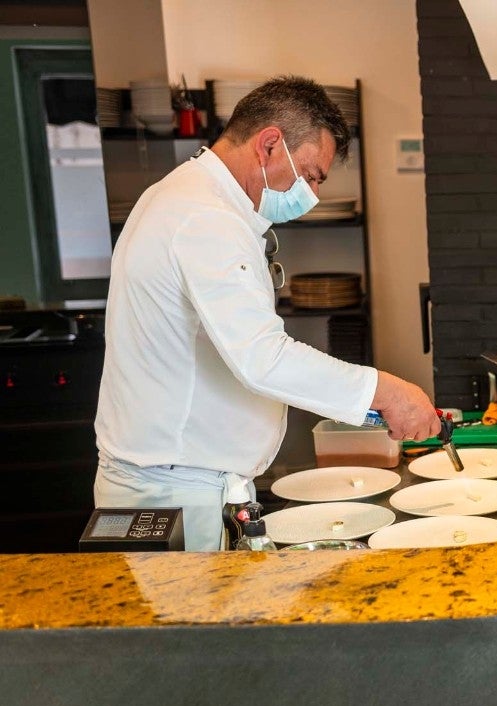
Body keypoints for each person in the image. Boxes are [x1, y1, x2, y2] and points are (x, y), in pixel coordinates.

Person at [94, 76, 440, 551]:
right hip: (174, 493)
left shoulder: (189, 199)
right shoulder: (205, 217)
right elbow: (261, 357)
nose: (312, 194)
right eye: (313, 175)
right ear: (270, 144)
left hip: (183, 481)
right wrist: (387, 392)